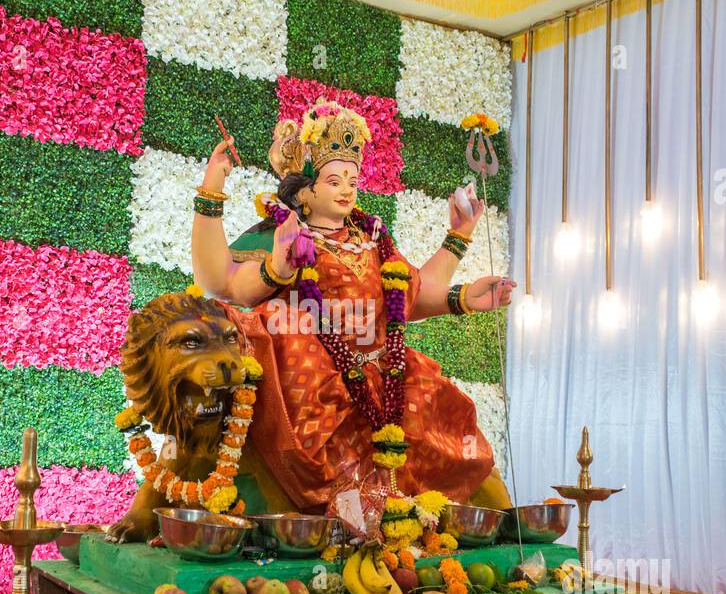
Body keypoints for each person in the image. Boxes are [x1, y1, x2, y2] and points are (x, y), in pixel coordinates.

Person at [191, 100, 514, 513]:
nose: (346, 189)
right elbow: (223, 283)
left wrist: (465, 293)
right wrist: (218, 196)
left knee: (443, 404)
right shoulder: (285, 232)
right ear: (305, 191)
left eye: (352, 180)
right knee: (281, 333)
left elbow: (409, 295)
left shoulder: (372, 238)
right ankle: (347, 515)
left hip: (383, 367)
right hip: (317, 368)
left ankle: (431, 515)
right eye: (333, 180)